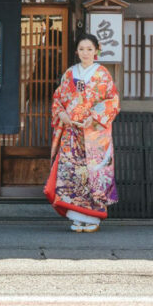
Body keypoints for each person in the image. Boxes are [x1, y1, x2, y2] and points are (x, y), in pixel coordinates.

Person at [44, 32, 120, 233]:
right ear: (76, 51)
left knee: (93, 173)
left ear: (96, 51)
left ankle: (93, 218)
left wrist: (94, 117)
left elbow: (112, 101)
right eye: (81, 49)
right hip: (72, 133)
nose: (85, 53)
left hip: (94, 134)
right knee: (73, 174)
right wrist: (62, 114)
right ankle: (77, 216)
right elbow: (58, 98)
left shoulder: (102, 74)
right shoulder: (69, 74)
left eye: (89, 49)